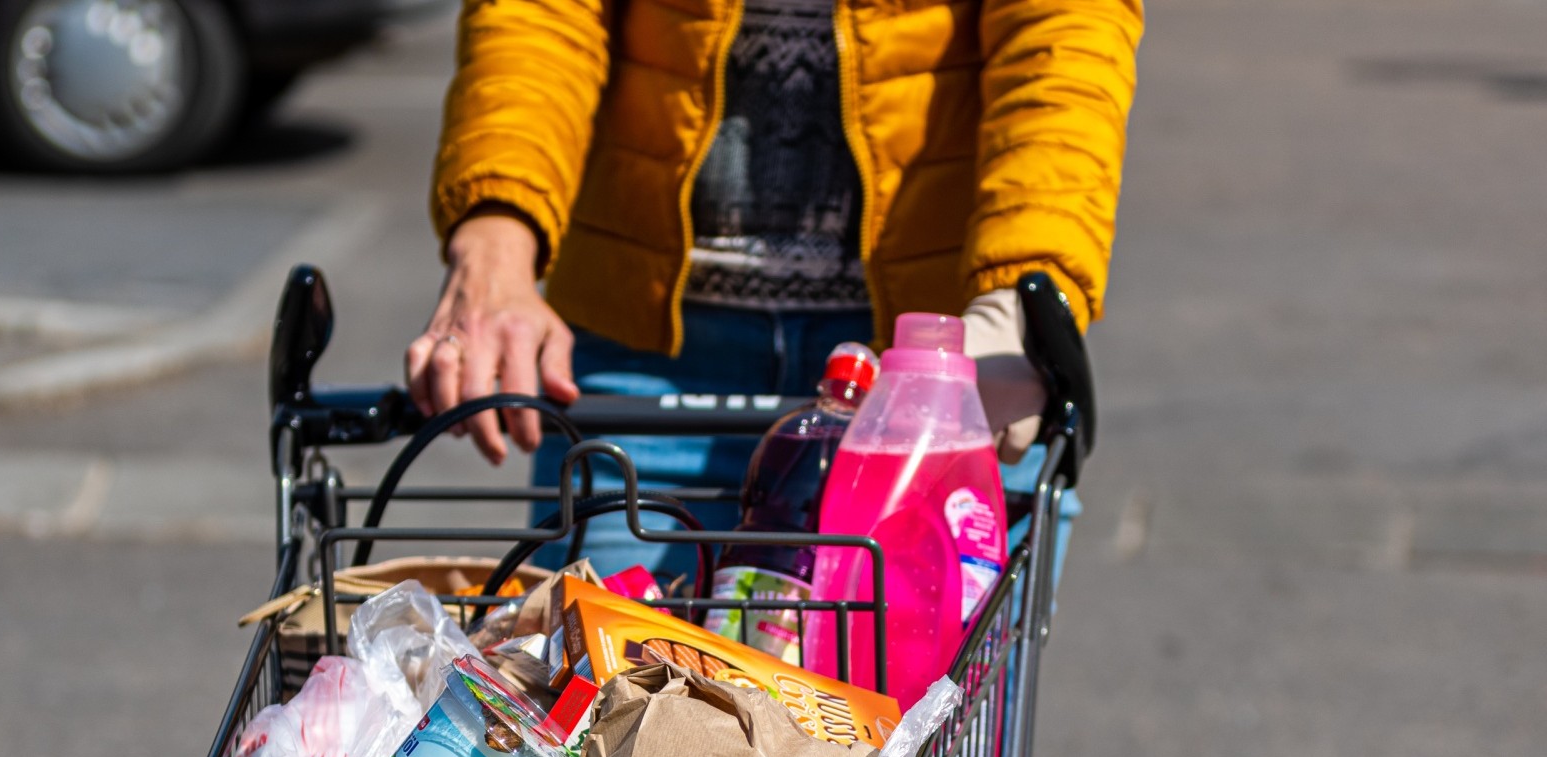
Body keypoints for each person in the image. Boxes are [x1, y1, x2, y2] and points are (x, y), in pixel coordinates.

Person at [404, 0, 1143, 578]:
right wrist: (496, 237)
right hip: (650, 358)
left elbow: (1063, 32)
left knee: (922, 750)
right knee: (612, 726)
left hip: (925, 361)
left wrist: (1020, 294)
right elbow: (543, 17)